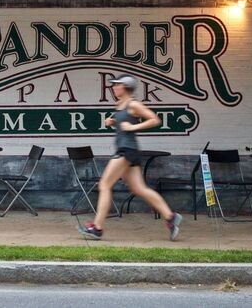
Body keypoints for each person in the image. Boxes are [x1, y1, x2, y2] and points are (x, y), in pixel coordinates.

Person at [77, 74, 182, 241]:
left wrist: (133, 127)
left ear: (125, 87)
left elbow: (155, 120)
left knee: (104, 184)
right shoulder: (121, 104)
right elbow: (123, 124)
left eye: (116, 85)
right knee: (139, 189)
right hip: (129, 150)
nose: (113, 88)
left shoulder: (133, 104)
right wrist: (113, 123)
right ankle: (170, 216)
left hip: (126, 150)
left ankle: (97, 228)